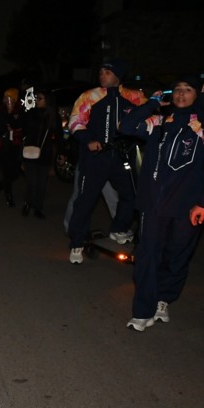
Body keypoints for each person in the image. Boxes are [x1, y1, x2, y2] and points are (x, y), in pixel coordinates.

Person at [119, 77, 204, 331]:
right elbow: (126, 126)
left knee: (177, 256)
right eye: (177, 89)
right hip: (154, 204)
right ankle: (142, 311)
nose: (181, 94)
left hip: (188, 207)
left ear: (196, 95)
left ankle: (164, 298)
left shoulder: (201, 127)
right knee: (147, 256)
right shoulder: (159, 123)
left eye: (187, 90)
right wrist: (151, 104)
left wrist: (202, 203)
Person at [66, 59, 146, 264]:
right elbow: (75, 123)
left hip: (121, 157)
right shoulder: (90, 96)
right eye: (101, 72)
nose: (102, 75)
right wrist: (88, 140)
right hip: (95, 158)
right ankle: (77, 243)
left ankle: (118, 229)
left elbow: (149, 120)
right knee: (85, 201)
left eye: (107, 72)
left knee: (131, 195)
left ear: (118, 76)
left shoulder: (134, 96)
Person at [20, 89, 61, 219]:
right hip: (29, 152)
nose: (37, 100)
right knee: (32, 182)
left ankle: (38, 208)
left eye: (40, 98)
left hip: (45, 154)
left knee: (41, 184)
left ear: (47, 100)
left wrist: (61, 153)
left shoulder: (54, 117)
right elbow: (25, 133)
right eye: (36, 98)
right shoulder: (31, 113)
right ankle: (27, 203)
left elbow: (59, 136)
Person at [0, 88, 24, 207]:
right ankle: (9, 196)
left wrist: (13, 126)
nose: (8, 101)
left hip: (15, 146)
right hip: (2, 146)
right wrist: (4, 128)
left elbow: (22, 126)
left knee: (15, 172)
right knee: (7, 172)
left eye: (11, 99)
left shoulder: (19, 112)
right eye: (6, 98)